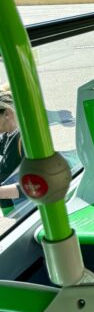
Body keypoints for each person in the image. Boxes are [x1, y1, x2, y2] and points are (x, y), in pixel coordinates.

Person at [0, 88, 24, 216]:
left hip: (25, 210)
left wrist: (1, 192)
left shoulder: (23, 140)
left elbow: (38, 184)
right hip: (10, 207)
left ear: (7, 114)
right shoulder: (6, 135)